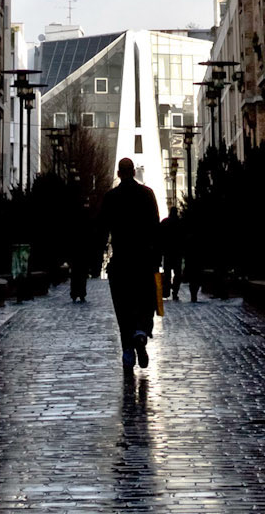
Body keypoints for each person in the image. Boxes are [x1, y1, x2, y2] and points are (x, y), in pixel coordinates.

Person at [97, 158, 160, 370]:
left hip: (121, 260)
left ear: (118, 172)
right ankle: (141, 331)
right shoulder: (147, 194)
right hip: (143, 260)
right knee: (145, 299)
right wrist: (157, 258)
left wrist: (98, 258)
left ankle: (127, 349)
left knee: (122, 305)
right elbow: (155, 227)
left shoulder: (111, 197)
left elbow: (102, 230)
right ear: (133, 172)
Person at [159, 208, 183, 300]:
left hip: (167, 252)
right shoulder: (180, 223)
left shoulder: (165, 222)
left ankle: (167, 290)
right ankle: (175, 292)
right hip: (177, 252)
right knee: (177, 274)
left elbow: (160, 237)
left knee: (167, 273)